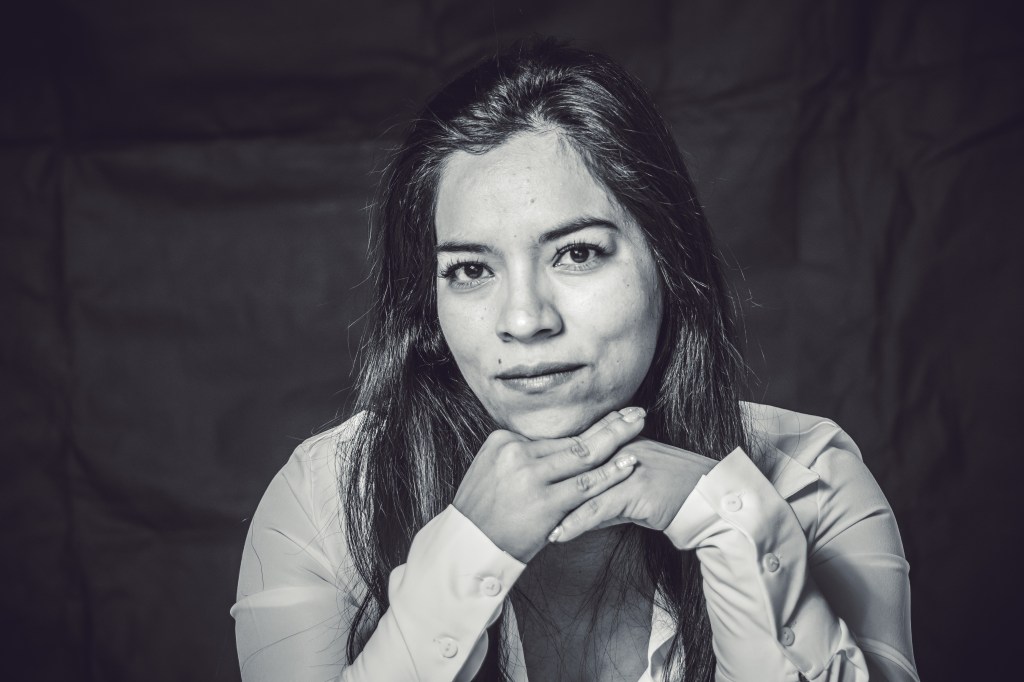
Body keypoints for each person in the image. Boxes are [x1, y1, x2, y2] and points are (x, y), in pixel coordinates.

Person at [230, 39, 919, 682]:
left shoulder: (810, 478)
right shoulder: (326, 501)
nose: (525, 320)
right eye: (470, 269)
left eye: (577, 253)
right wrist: (466, 560)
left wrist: (734, 523)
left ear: (668, 261)